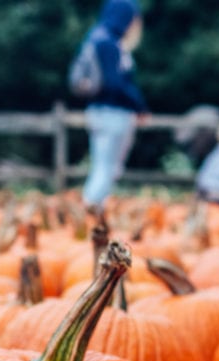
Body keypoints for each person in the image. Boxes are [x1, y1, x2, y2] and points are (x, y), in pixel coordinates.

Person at [80, 0, 149, 211]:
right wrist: (139, 106)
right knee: (107, 168)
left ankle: (92, 210)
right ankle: (91, 208)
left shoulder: (96, 38)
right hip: (113, 114)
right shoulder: (109, 44)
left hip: (99, 112)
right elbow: (116, 83)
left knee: (102, 165)